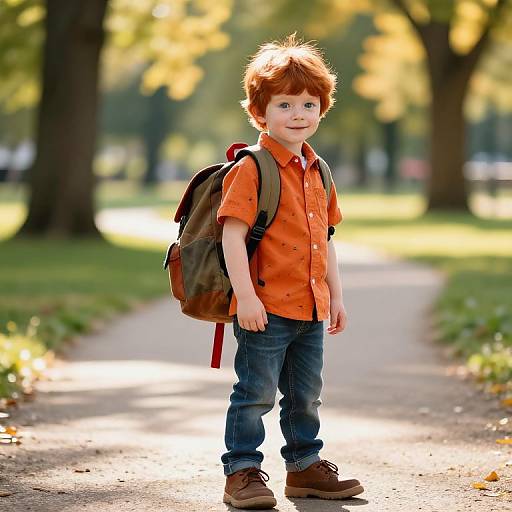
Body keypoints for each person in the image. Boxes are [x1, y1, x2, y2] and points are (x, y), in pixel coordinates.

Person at [217, 34, 364, 509]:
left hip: (311, 306)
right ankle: (242, 472)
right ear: (260, 112)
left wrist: (336, 296)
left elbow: (327, 243)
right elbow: (232, 237)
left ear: (322, 108)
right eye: (284, 104)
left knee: (306, 395)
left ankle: (304, 467)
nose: (298, 113)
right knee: (254, 394)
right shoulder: (253, 168)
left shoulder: (318, 169)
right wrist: (247, 299)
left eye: (308, 103)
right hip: (264, 306)